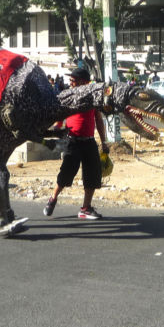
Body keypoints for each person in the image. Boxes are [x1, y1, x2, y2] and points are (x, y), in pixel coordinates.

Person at [43, 67, 109, 219]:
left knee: (93, 176)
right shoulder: (68, 96)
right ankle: (53, 198)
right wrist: (55, 130)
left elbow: (98, 120)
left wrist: (104, 142)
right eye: (70, 80)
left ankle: (85, 208)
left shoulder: (93, 98)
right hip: (72, 141)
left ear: (83, 82)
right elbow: (59, 116)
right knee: (66, 174)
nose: (70, 82)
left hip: (89, 142)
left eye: (73, 80)